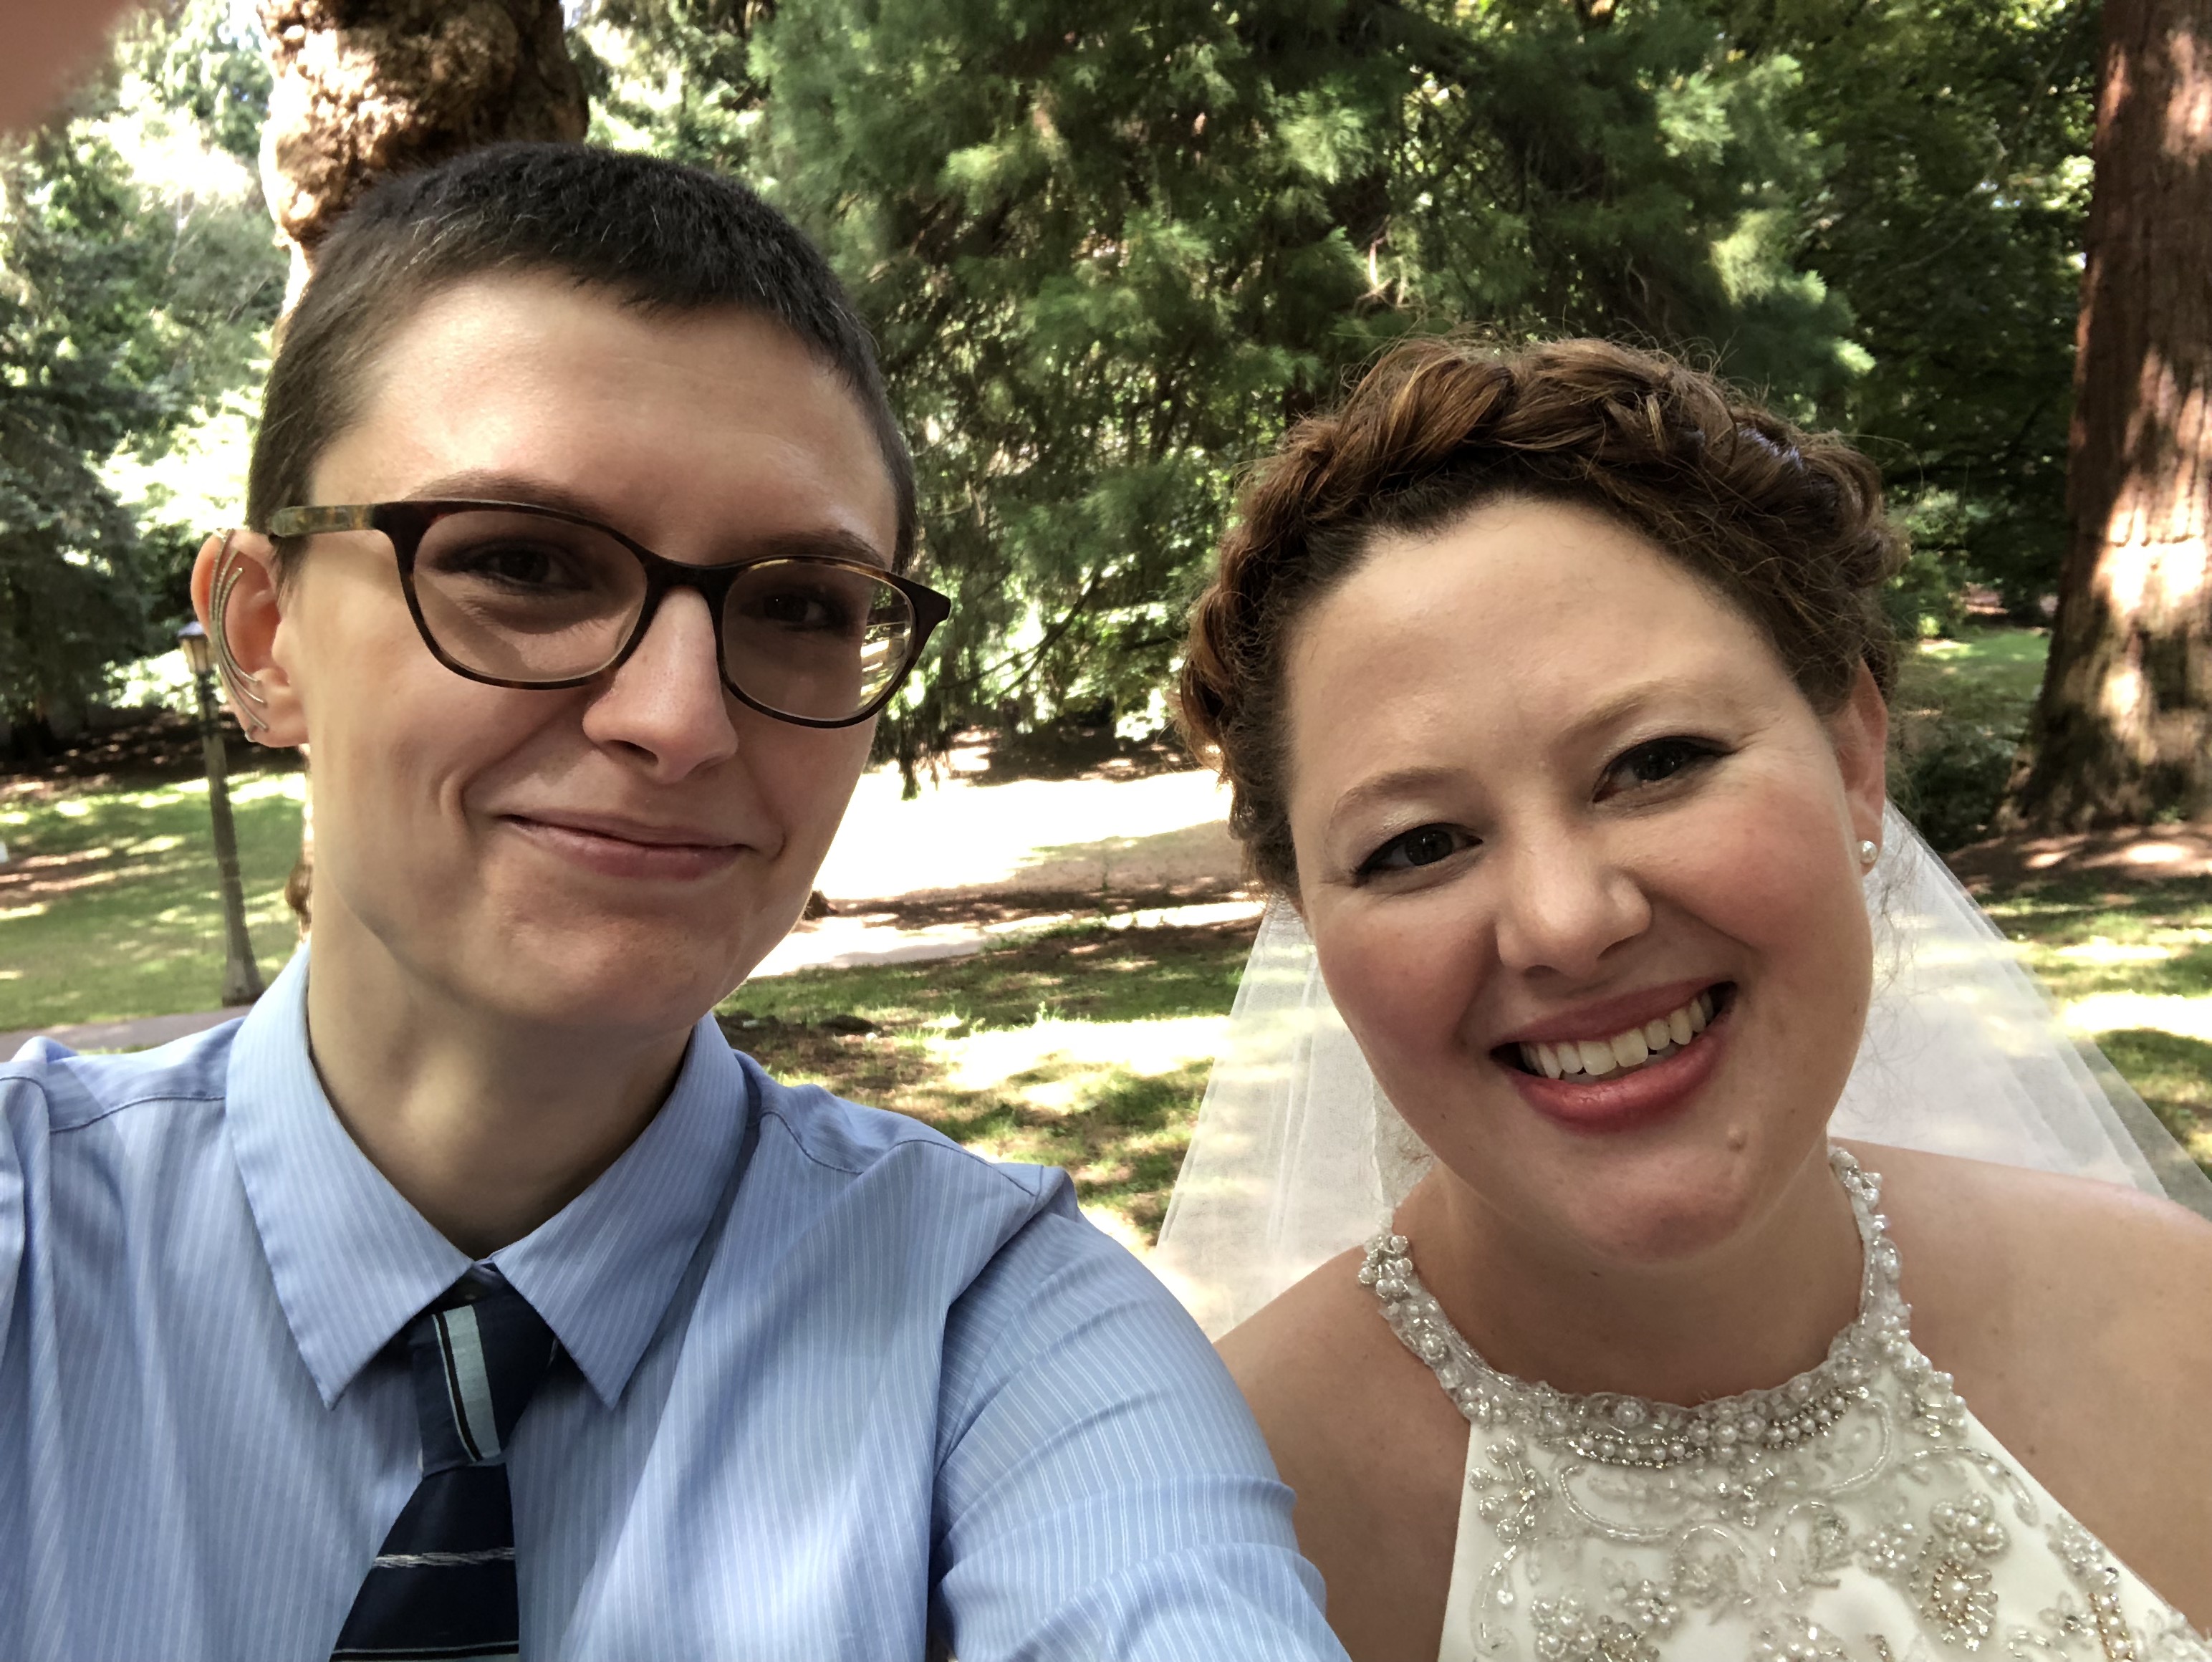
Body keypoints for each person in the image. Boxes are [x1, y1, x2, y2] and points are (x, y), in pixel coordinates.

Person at [0, 143, 1345, 1662]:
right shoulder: (31, 1251)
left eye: (797, 605)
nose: (679, 718)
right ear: (263, 632)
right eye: (519, 560)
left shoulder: (998, 1331)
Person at [1153, 337, 2212, 1661]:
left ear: (1852, 756)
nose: (1565, 923)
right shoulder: (1211, 1535)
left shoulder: (2182, 1324)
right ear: (1313, 925)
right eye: (1417, 844)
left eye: (1657, 763)